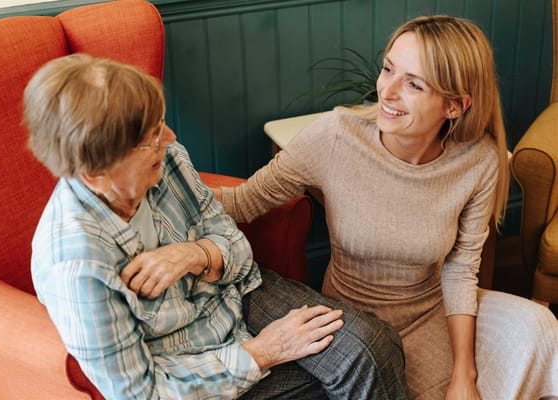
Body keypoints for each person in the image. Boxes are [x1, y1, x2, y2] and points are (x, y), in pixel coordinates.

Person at [24, 53, 409, 399]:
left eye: (161, 124)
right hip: (187, 366)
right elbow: (142, 394)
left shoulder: (169, 159)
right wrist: (263, 351)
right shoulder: (77, 267)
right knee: (360, 367)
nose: (171, 139)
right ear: (95, 173)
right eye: (151, 138)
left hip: (237, 297)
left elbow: (236, 249)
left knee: (370, 349)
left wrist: (196, 253)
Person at [213, 15, 558, 400]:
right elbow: (243, 202)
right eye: (388, 69)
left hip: (430, 317)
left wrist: (465, 372)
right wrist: (155, 188)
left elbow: (461, 268)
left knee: (537, 332)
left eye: (413, 84)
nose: (387, 92)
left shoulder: (478, 161)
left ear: (455, 107)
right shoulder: (335, 136)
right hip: (354, 324)